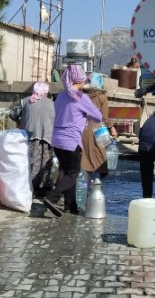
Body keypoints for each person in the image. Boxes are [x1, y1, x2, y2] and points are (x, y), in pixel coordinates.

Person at [42, 65, 105, 217]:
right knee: (73, 173)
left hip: (57, 140)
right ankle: (52, 198)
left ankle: (71, 207)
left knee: (66, 172)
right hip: (71, 141)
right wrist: (86, 114)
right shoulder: (81, 97)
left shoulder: (61, 96)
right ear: (79, 80)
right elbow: (98, 116)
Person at [18, 81, 55, 198]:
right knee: (45, 164)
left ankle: (30, 188)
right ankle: (43, 190)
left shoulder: (25, 101)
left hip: (29, 137)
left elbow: (13, 114)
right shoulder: (52, 104)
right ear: (46, 92)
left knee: (30, 163)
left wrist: (20, 120)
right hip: (47, 138)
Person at [80, 73, 117, 179]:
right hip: (98, 127)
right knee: (100, 150)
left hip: (83, 126)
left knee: (85, 151)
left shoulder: (82, 94)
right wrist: (111, 127)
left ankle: (86, 173)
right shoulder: (102, 96)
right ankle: (100, 173)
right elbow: (104, 116)